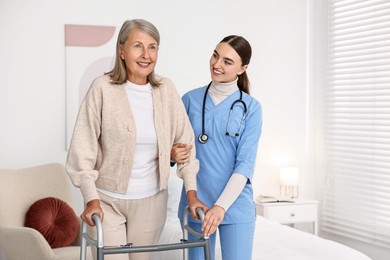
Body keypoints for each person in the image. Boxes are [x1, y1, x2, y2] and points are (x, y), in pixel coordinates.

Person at [65, 19, 205, 260]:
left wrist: (191, 192)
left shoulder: (166, 90)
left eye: (152, 47)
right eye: (137, 46)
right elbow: (81, 150)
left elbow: (186, 146)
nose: (146, 55)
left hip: (152, 203)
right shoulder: (102, 88)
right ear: (121, 50)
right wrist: (91, 198)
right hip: (107, 202)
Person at [172, 35, 262, 260]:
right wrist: (171, 154)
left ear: (243, 68)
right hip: (196, 206)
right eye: (215, 55)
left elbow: (245, 165)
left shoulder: (251, 108)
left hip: (234, 207)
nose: (217, 64)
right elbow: (172, 153)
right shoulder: (189, 100)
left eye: (227, 61)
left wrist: (221, 207)